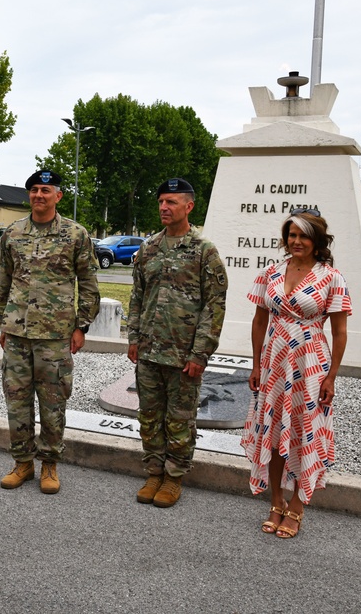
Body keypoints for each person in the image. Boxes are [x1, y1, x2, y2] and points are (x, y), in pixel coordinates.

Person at [243, 209, 351, 538]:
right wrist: (256, 363)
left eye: (303, 236)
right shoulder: (271, 273)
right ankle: (276, 501)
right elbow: (260, 321)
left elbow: (340, 332)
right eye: (292, 235)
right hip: (275, 360)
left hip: (310, 363)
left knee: (304, 434)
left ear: (317, 241)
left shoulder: (331, 277)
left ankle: (298, 505)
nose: (296, 241)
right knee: (274, 433)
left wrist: (331, 376)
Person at [0, 170, 100, 494]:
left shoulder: (75, 235)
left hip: (55, 335)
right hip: (17, 333)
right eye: (34, 191)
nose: (39, 195)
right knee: (16, 401)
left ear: (58, 196)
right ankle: (23, 463)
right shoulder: (12, 233)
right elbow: (4, 281)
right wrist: (3, 322)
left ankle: (50, 464)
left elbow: (90, 285)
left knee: (53, 403)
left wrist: (81, 326)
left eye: (45, 190)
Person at [127, 178, 228, 508]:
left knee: (180, 418)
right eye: (161, 202)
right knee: (149, 415)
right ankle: (154, 470)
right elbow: (138, 296)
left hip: (184, 353)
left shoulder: (203, 251)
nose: (163, 207)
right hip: (149, 350)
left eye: (171, 202)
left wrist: (201, 352)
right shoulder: (149, 248)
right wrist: (133, 338)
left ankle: (173, 477)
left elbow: (214, 304)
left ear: (189, 206)